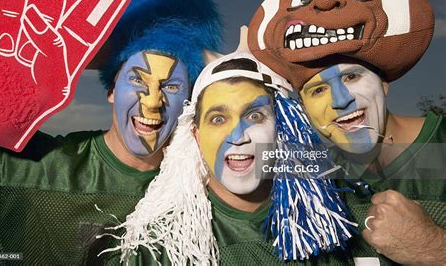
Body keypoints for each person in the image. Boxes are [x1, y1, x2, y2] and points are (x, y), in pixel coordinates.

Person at [0, 0, 223, 264]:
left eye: (170, 86)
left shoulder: (205, 196)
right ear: (111, 90)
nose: (152, 103)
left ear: (187, 101)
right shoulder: (29, 168)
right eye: (137, 80)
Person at [248, 0, 445, 265]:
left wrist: (431, 247)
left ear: (384, 83)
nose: (340, 101)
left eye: (351, 77)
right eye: (318, 91)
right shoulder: (311, 175)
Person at [109, 28, 356, 265]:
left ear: (283, 127)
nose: (238, 137)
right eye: (218, 119)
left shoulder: (343, 215)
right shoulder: (159, 245)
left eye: (255, 116)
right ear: (195, 135)